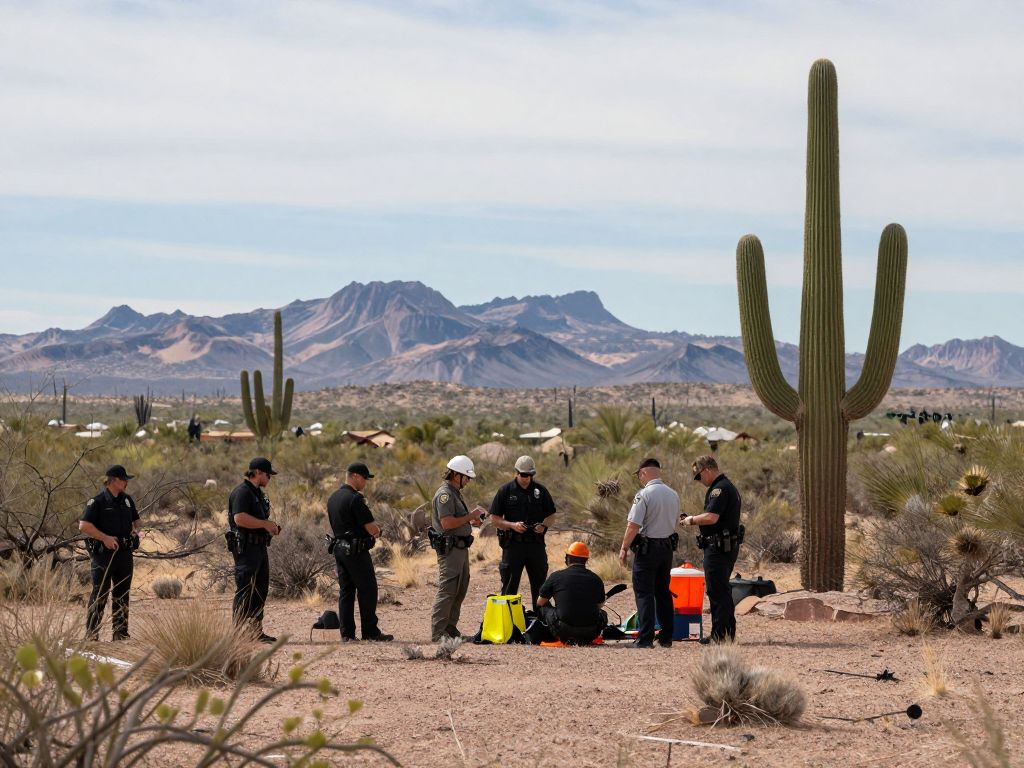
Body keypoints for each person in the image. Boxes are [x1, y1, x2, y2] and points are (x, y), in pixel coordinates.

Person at [327, 462, 393, 643]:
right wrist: (378, 530)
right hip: (356, 550)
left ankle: (347, 634)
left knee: (346, 591)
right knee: (368, 589)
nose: (365, 482)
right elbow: (371, 528)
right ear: (355, 476)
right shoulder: (355, 499)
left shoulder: (333, 498)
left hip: (340, 549)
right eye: (364, 478)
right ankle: (370, 631)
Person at [619, 457, 679, 649]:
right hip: (667, 548)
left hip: (648, 549)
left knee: (644, 593)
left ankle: (645, 638)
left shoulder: (643, 495)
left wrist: (624, 547)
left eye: (639, 475)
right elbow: (676, 523)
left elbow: (633, 525)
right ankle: (666, 636)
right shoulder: (673, 494)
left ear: (643, 472)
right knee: (663, 592)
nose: (639, 479)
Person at [683, 454, 742, 644]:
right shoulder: (724, 487)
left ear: (707, 470)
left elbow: (711, 517)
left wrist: (691, 520)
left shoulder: (720, 489)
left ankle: (720, 635)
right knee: (720, 590)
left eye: (699, 476)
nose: (699, 481)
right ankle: (725, 633)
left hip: (718, 549)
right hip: (721, 547)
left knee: (718, 591)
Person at [79, 465, 142, 641]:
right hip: (103, 556)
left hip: (124, 554)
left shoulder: (127, 500)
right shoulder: (97, 502)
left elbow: (137, 521)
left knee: (122, 592)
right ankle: (92, 634)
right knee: (100, 593)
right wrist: (104, 537)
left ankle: (120, 633)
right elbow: (84, 526)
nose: (126, 483)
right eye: (124, 479)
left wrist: (136, 532)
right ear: (113, 480)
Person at [429, 455, 486, 642]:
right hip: (450, 549)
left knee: (460, 588)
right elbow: (447, 523)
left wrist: (473, 519)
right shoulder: (445, 495)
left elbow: (458, 520)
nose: (468, 481)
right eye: (466, 477)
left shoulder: (455, 493)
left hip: (460, 548)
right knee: (447, 589)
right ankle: (438, 633)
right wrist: (470, 516)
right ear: (455, 475)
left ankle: (450, 628)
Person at [489, 455, 556, 609]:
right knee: (509, 587)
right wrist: (512, 525)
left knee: (541, 587)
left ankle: (542, 624)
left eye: (530, 475)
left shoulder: (540, 490)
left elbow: (552, 515)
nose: (527, 478)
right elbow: (494, 519)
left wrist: (544, 526)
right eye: (524, 475)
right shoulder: (505, 491)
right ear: (516, 473)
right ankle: (508, 624)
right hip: (513, 546)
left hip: (536, 546)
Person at [227, 457, 282, 643]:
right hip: (246, 548)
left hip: (259, 546)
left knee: (260, 589)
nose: (269, 479)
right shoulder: (242, 492)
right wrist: (265, 524)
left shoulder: (257, 493)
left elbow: (258, 520)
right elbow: (239, 519)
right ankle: (238, 633)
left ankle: (255, 631)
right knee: (245, 588)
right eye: (268, 475)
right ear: (257, 472)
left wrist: (270, 528)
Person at [536, 541, 607, 645]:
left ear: (567, 558)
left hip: (563, 631)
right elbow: (599, 606)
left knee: (543, 607)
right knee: (603, 614)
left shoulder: (556, 576)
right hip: (590, 632)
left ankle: (548, 634)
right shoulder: (596, 579)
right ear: (586, 560)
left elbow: (540, 602)